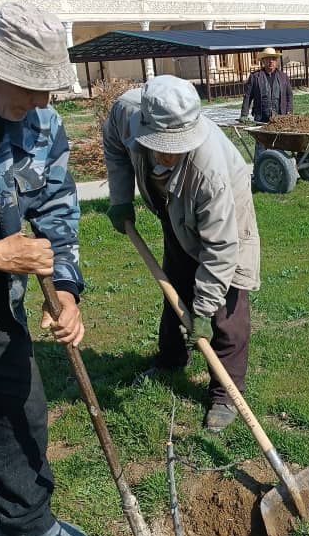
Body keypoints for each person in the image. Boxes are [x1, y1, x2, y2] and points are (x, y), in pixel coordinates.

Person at [103, 76, 260, 433]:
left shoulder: (210, 172)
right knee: (175, 282)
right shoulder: (126, 113)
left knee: (227, 308)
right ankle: (172, 359)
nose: (169, 154)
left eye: (177, 147)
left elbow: (220, 249)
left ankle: (225, 394)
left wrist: (203, 311)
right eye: (162, 146)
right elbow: (113, 145)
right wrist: (120, 197)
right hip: (172, 207)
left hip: (226, 217)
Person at [0, 2, 91, 536]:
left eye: (47, 87)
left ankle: (24, 521)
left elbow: (57, 211)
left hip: (0, 311)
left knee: (19, 408)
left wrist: (68, 294)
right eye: (29, 84)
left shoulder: (42, 125)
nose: (40, 99)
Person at [240, 47, 293, 124]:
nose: (271, 61)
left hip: (281, 117)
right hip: (261, 118)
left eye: (273, 59)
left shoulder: (283, 77)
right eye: (268, 58)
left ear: (276, 61)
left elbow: (289, 95)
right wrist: (244, 114)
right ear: (263, 61)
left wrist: (289, 111)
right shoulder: (255, 77)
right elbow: (248, 96)